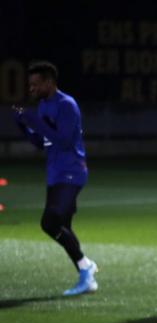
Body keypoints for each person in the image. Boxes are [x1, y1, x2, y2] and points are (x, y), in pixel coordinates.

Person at [11, 61, 98, 296]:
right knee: (63, 226)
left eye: (36, 84)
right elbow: (43, 142)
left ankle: (86, 269)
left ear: (49, 82)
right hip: (55, 173)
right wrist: (24, 128)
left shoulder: (66, 105)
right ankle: (86, 273)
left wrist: (35, 122)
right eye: (30, 85)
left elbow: (65, 142)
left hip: (72, 171)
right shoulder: (42, 106)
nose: (32, 89)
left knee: (49, 223)